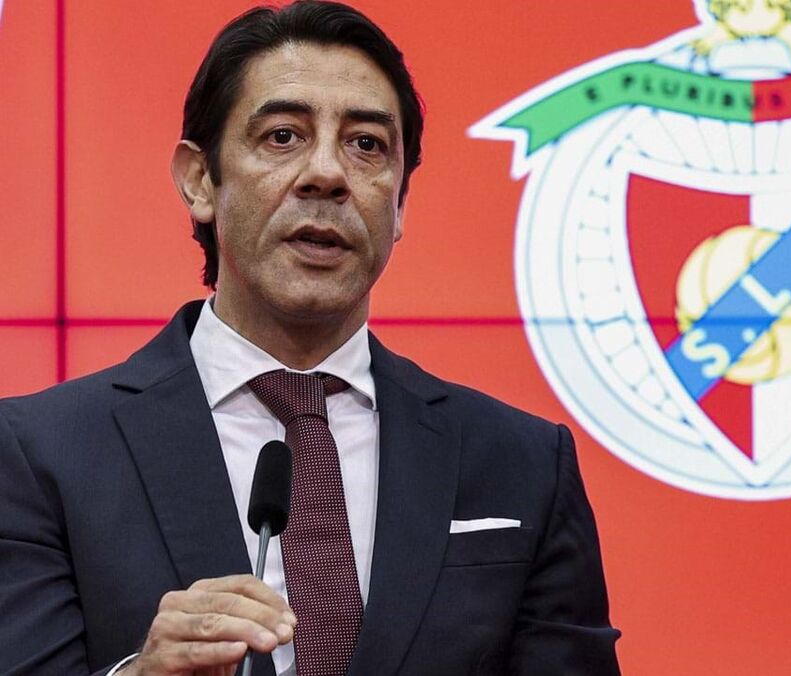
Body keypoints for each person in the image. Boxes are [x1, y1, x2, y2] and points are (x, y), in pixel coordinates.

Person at [0, 2, 620, 674]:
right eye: (283, 136)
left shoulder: (523, 464)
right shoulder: (40, 455)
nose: (327, 174)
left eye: (366, 145)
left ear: (401, 203)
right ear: (200, 180)